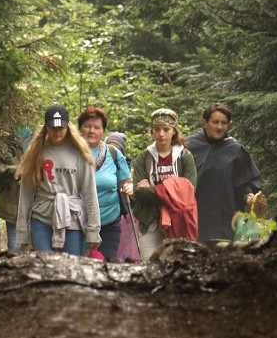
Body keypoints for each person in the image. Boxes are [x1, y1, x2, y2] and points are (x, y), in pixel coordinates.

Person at [15, 104, 101, 256]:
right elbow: (26, 194)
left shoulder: (80, 154)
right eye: (53, 127)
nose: (57, 131)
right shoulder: (36, 153)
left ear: (68, 127)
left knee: (71, 266)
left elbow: (90, 194)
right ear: (46, 128)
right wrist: (22, 231)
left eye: (61, 127)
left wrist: (93, 230)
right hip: (42, 217)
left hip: (72, 217)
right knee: (44, 265)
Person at [187, 102, 262, 248]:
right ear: (205, 122)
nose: (219, 127)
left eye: (224, 123)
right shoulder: (190, 146)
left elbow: (244, 181)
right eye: (215, 122)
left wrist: (249, 197)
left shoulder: (235, 149)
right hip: (196, 218)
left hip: (226, 220)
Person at [130, 108, 198, 260]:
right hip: (149, 221)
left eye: (166, 129)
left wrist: (151, 190)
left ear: (174, 131)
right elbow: (138, 193)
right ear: (152, 131)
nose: (161, 134)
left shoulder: (184, 156)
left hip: (178, 222)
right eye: (157, 129)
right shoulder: (144, 157)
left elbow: (189, 192)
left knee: (177, 266)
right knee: (149, 265)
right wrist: (173, 190)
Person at [77, 107, 133, 260]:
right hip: (76, 225)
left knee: (106, 267)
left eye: (97, 127)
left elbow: (126, 182)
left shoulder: (113, 154)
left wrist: (130, 187)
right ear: (79, 128)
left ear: (103, 131)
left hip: (108, 224)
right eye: (87, 126)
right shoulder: (70, 152)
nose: (91, 131)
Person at [106, 131, 142, 261]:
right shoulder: (100, 165)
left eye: (117, 148)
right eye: (110, 146)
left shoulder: (125, 169)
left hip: (123, 217)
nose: (113, 150)